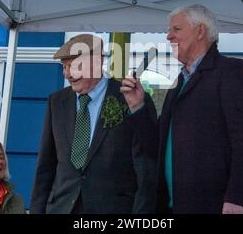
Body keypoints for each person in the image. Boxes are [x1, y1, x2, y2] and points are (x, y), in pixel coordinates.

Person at [121, 4, 243, 214]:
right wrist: (137, 105)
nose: (169, 36)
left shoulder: (231, 71)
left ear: (200, 31)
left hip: (214, 206)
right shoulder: (179, 82)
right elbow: (156, 147)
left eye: (176, 29)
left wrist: (236, 198)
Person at [30, 34, 158, 214]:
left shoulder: (130, 99)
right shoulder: (57, 101)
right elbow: (46, 165)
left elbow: (146, 166)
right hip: (61, 208)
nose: (67, 73)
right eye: (64, 67)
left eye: (74, 66)